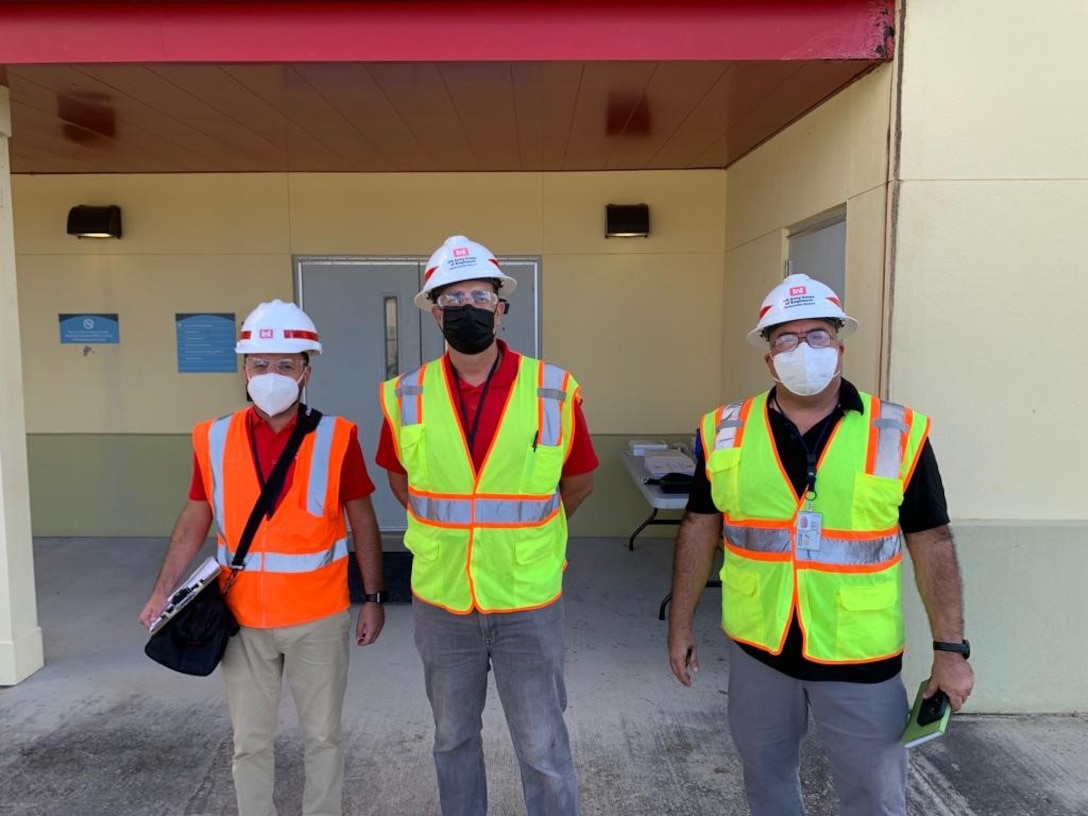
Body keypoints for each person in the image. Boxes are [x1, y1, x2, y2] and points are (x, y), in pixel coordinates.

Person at [667, 274, 974, 816]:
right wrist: (680, 624)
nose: (802, 350)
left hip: (860, 655)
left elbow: (931, 542)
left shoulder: (896, 430)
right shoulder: (724, 429)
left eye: (817, 336)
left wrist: (951, 652)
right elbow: (698, 526)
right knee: (767, 788)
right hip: (759, 648)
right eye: (785, 339)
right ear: (768, 358)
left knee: (874, 797)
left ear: (839, 348)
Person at [375, 235, 598, 816]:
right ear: (432, 309)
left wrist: (527, 535)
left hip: (526, 599)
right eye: (452, 296)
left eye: (479, 294)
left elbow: (577, 483)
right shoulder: (406, 394)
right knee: (452, 739)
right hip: (444, 601)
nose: (466, 306)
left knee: (544, 747)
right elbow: (401, 481)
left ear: (501, 306)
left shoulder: (552, 388)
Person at [139, 299, 386, 816]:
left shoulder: (338, 436)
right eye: (259, 363)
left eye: (285, 365)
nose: (270, 374)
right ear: (243, 368)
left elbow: (362, 519)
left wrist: (373, 597)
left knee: (323, 738)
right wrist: (164, 591)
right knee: (249, 743)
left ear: (306, 372)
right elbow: (194, 518)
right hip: (242, 619)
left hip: (318, 618)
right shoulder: (212, 436)